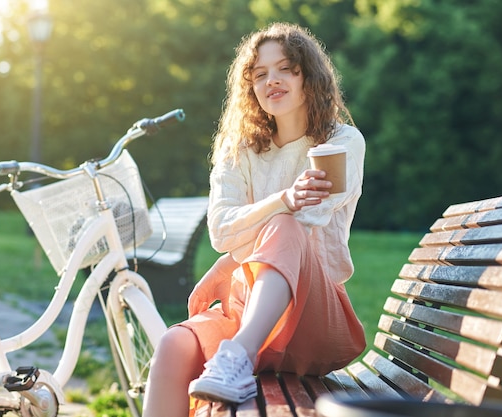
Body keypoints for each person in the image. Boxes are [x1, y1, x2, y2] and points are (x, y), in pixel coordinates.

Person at [142, 22, 366, 417]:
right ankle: (238, 353)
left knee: (287, 223)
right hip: (245, 306)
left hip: (314, 317)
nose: (271, 81)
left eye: (286, 69)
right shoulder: (238, 149)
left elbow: (308, 217)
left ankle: (240, 354)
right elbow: (221, 230)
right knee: (173, 346)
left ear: (308, 77)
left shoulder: (339, 142)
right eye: (260, 74)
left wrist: (229, 261)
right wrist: (280, 200)